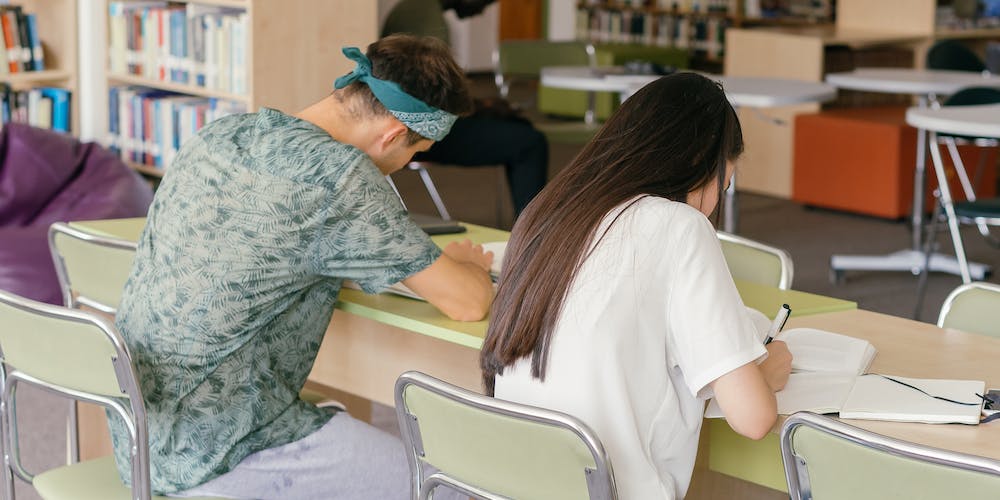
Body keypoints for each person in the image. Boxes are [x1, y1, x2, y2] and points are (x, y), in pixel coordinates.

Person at [110, 35, 493, 499]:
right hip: (222, 453)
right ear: (392, 135)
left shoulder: (222, 133)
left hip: (139, 439)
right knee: (454, 488)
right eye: (416, 151)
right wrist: (470, 265)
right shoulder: (342, 176)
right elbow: (468, 302)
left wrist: (420, 256)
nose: (407, 162)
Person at [479, 73, 793, 499]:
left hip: (515, 483)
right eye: (725, 184)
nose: (718, 201)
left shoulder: (548, 209)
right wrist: (766, 371)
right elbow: (753, 419)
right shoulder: (680, 226)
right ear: (703, 161)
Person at [382, 0, 548, 217]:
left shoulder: (415, 7)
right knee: (529, 143)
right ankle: (533, 235)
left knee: (516, 126)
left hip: (406, 123)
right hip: (420, 132)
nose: (482, 10)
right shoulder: (426, 19)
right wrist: (480, 107)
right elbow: (433, 95)